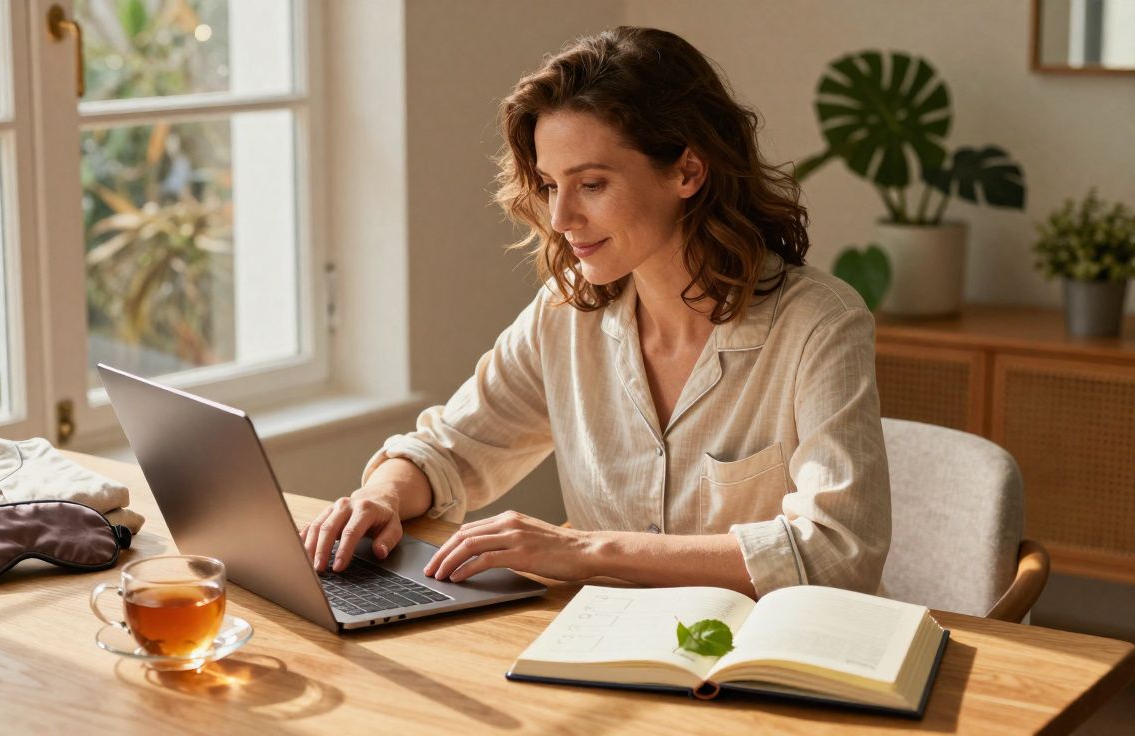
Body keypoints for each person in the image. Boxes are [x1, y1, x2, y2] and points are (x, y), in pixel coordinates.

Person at [300, 26, 890, 599]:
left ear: (687, 170)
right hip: (605, 655)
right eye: (552, 185)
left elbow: (837, 551)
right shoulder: (566, 313)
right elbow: (450, 451)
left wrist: (584, 551)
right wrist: (379, 495)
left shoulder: (819, 323)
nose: (560, 219)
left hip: (767, 666)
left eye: (592, 184)